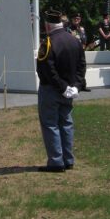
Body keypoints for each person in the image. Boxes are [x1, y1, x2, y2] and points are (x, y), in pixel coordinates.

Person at [36, 9, 86, 172]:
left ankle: (56, 162)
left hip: (52, 90)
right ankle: (68, 159)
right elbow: (81, 66)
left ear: (48, 26)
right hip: (69, 90)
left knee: (51, 124)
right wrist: (76, 86)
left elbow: (47, 70)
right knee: (66, 124)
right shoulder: (74, 40)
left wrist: (63, 87)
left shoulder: (48, 42)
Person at [69, 12, 90, 92]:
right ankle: (74, 86)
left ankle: (82, 85)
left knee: (82, 68)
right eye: (74, 18)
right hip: (73, 52)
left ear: (80, 20)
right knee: (73, 69)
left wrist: (84, 45)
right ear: (72, 20)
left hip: (81, 52)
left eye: (78, 18)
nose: (76, 20)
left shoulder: (82, 29)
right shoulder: (69, 29)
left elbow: (84, 38)